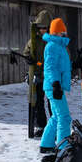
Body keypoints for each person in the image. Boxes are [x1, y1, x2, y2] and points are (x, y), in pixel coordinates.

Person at [38, 18, 73, 153]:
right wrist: (55, 83)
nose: (63, 34)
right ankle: (63, 148)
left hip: (54, 85)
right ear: (57, 31)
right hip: (53, 86)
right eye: (62, 31)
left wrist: (75, 64)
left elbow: (61, 66)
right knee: (64, 117)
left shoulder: (58, 46)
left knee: (56, 116)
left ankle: (46, 145)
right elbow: (50, 67)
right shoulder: (52, 46)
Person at [21, 7, 52, 139]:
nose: (42, 30)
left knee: (52, 103)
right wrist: (28, 58)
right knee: (38, 101)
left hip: (51, 76)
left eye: (45, 27)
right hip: (38, 75)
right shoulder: (33, 41)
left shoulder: (53, 40)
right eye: (40, 27)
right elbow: (26, 52)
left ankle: (54, 126)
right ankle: (41, 126)